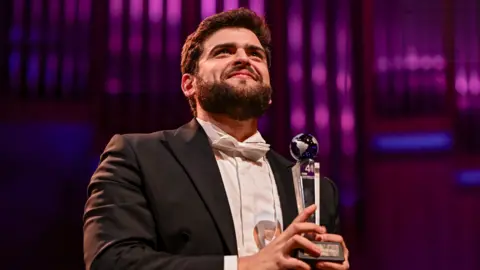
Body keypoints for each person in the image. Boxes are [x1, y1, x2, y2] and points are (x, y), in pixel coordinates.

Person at [83, 7, 349, 270]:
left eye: (255, 54)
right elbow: (112, 261)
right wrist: (246, 266)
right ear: (189, 84)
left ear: (269, 92)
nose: (244, 58)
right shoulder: (136, 157)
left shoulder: (318, 189)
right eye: (224, 51)